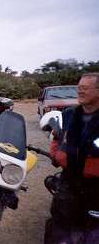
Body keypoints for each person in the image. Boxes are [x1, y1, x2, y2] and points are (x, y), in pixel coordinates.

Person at [45, 73, 99, 244]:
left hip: (96, 189)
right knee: (59, 231)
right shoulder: (69, 114)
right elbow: (56, 137)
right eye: (79, 88)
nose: (80, 91)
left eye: (84, 88)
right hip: (68, 183)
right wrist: (56, 154)